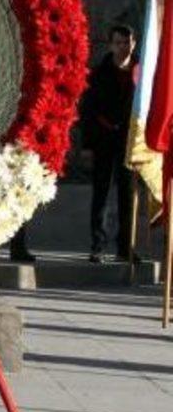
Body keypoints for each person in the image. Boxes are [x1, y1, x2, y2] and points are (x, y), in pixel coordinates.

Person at [81, 24, 137, 263]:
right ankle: (98, 246)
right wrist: (87, 145)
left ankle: (126, 247)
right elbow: (88, 110)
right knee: (101, 192)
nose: (123, 47)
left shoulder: (141, 72)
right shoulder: (99, 73)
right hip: (104, 139)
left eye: (127, 42)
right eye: (118, 42)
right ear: (111, 44)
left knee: (128, 194)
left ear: (133, 44)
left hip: (130, 141)